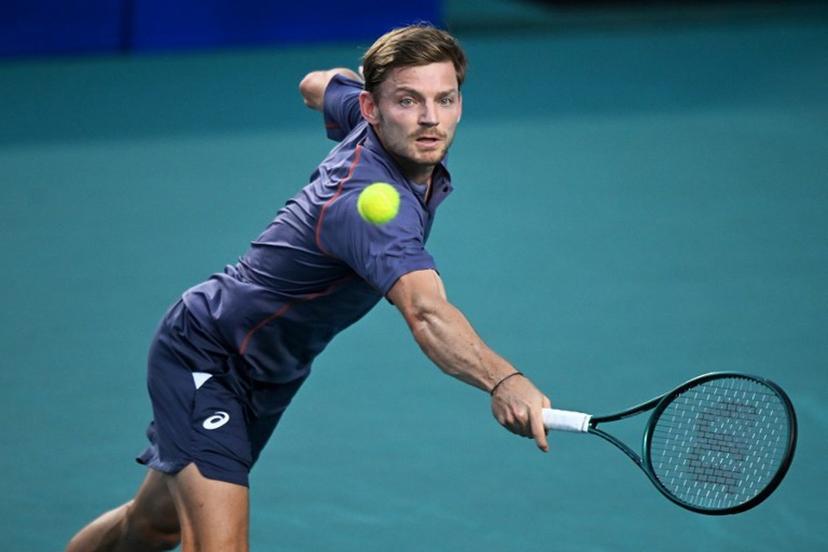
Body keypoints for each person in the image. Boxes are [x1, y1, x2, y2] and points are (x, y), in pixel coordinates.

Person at [66, 23, 551, 552]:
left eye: (445, 99)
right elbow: (426, 312)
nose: (431, 118)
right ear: (373, 108)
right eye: (408, 100)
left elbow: (313, 84)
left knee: (154, 526)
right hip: (209, 356)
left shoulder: (368, 116)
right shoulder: (367, 208)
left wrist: (350, 82)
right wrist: (504, 381)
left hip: (270, 370)